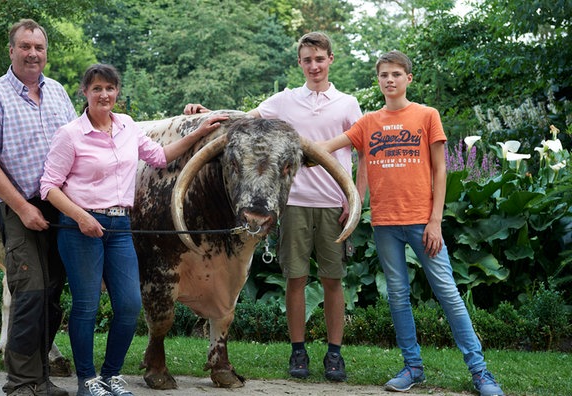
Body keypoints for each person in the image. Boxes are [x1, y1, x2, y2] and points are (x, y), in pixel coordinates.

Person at [322, 50, 504, 396]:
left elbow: (440, 170)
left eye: (395, 74)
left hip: (423, 223)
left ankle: (481, 373)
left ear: (408, 79)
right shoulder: (368, 123)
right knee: (398, 297)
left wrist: (435, 221)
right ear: (378, 81)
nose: (389, 80)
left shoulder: (426, 116)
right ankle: (412, 367)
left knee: (448, 295)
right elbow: (327, 146)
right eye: (383, 75)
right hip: (385, 224)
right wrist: (291, 147)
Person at [184, 31, 364, 382]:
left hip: (332, 205)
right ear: (299, 63)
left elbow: (361, 150)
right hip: (292, 203)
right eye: (307, 60)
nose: (314, 66)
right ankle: (298, 352)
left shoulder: (347, 103)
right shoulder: (284, 101)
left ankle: (334, 355)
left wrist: (354, 197)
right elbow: (244, 119)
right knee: (295, 280)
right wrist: (206, 113)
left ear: (330, 60)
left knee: (332, 281)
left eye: (320, 59)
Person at [40, 63, 227, 396]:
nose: (104, 94)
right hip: (80, 226)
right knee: (86, 306)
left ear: (117, 93)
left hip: (120, 226)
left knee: (129, 305)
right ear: (85, 92)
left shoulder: (126, 125)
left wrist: (198, 134)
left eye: (110, 88)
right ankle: (87, 380)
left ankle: (111, 376)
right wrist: (81, 216)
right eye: (96, 88)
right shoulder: (70, 134)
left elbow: (158, 156)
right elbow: (49, 187)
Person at [0, 19, 77, 396]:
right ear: (12, 50)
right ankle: (20, 383)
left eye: (39, 47)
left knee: (50, 293)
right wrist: (22, 207)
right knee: (30, 290)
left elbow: (78, 147)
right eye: (26, 46)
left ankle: (40, 379)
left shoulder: (60, 93)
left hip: (59, 207)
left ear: (46, 53)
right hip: (20, 208)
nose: (33, 53)